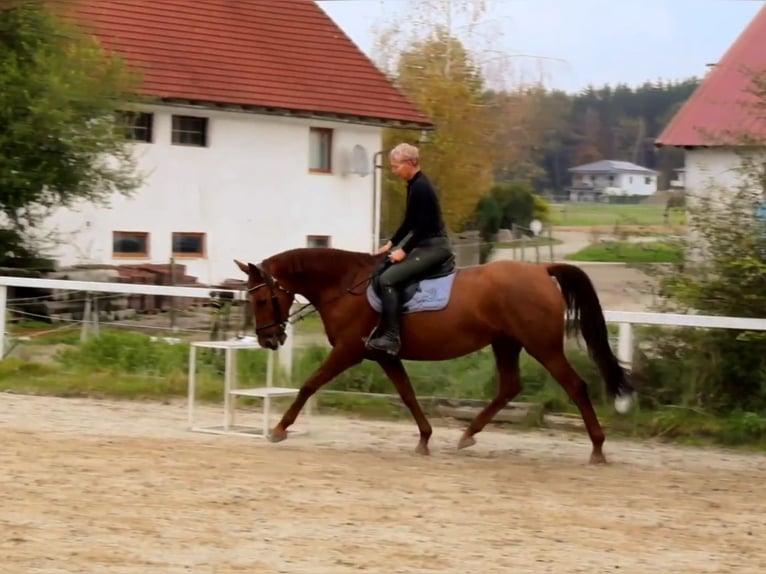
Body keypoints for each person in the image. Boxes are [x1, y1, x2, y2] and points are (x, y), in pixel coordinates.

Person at [365, 142, 454, 356]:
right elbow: (410, 221)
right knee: (384, 270)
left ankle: (391, 338)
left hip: (434, 247)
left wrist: (403, 251)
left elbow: (422, 226)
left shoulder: (421, 187)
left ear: (410, 163)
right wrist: (391, 243)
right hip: (425, 244)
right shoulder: (414, 185)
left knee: (388, 279)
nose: (394, 171)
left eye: (396, 166)